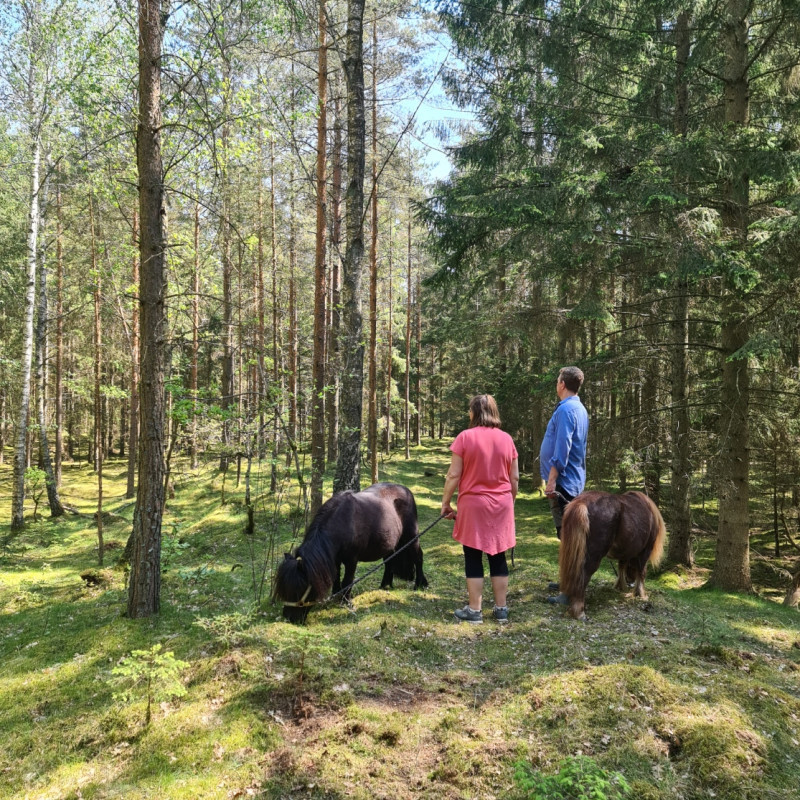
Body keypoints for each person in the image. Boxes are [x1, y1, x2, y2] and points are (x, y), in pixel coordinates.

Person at [441, 394, 519, 624]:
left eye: (469, 410)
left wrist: (445, 503)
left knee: (473, 555)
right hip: (501, 504)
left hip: (473, 504)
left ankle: (475, 610)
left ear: (474, 412)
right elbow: (514, 478)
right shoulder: (507, 439)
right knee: (498, 556)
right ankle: (501, 609)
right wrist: (509, 502)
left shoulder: (465, 437)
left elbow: (454, 474)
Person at [539, 366, 588, 600]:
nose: (556, 384)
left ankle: (571, 589)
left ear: (562, 384)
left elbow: (563, 449)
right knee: (567, 535)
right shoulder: (577, 408)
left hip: (564, 483)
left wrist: (552, 480)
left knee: (568, 536)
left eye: (557, 380)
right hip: (572, 480)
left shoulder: (567, 410)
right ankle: (567, 581)